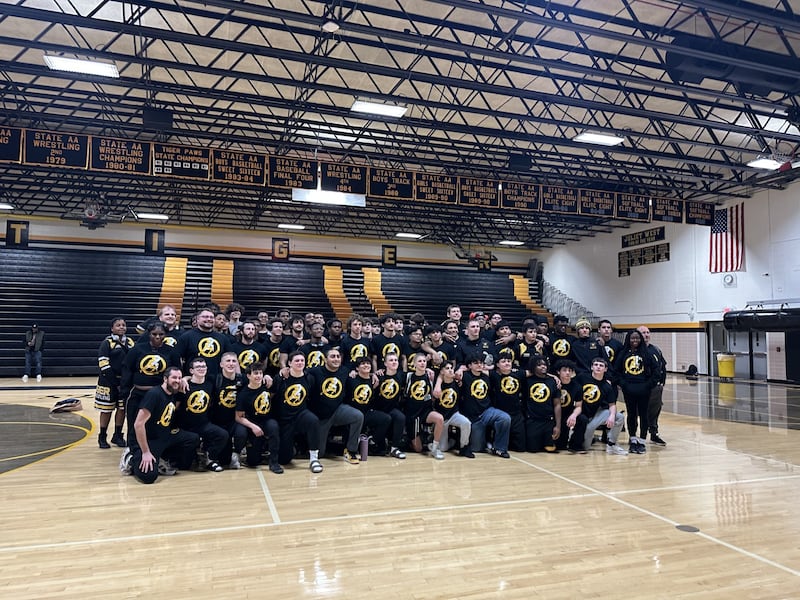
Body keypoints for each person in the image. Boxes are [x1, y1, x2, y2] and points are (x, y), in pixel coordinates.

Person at [127, 366, 200, 484]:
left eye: (179, 378)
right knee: (149, 477)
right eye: (174, 378)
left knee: (193, 439)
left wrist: (185, 379)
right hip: (149, 440)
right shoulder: (154, 394)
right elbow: (138, 424)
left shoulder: (173, 392)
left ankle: (163, 459)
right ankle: (131, 459)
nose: (177, 380)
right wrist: (145, 452)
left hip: (165, 436)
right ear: (165, 379)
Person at [308, 347, 363, 463]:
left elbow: (360, 377)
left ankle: (351, 450)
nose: (336, 359)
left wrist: (372, 375)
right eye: (332, 356)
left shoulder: (345, 371)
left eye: (338, 356)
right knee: (320, 454)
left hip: (338, 410)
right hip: (321, 416)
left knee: (358, 416)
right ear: (325, 359)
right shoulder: (315, 371)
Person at [273, 351, 323, 473]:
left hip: (301, 414)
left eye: (302, 360)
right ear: (289, 363)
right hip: (284, 419)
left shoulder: (309, 378)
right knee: (284, 460)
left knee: (313, 420)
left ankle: (314, 459)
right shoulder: (280, 378)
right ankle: (290, 449)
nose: (300, 363)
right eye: (297, 360)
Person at [178, 357, 230, 472]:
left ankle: (210, 458)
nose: (201, 369)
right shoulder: (184, 386)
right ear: (191, 371)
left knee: (223, 435)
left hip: (203, 424)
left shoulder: (210, 384)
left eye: (204, 366)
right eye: (198, 367)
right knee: (184, 465)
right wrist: (185, 379)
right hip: (186, 427)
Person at [567, 357, 627, 455]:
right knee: (585, 447)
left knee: (619, 417)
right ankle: (577, 437)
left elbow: (612, 404)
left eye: (601, 365)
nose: (598, 367)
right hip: (580, 412)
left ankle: (611, 444)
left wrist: (612, 416)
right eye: (596, 365)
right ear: (591, 367)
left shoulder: (607, 386)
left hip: (594, 414)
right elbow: (569, 382)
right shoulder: (582, 377)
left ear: (605, 369)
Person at [458, 353, 511, 457]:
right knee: (477, 448)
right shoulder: (463, 376)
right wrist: (459, 370)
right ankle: (486, 441)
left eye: (481, 363)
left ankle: (499, 448)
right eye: (476, 363)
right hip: (472, 417)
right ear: (469, 365)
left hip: (487, 411)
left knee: (505, 418)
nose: (479, 365)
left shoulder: (487, 377)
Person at [235, 361, 283, 473]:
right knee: (253, 462)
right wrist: (253, 426)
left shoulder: (267, 385)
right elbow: (238, 417)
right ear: (248, 376)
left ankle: (274, 462)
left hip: (266, 420)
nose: (258, 376)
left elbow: (279, 380)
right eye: (255, 373)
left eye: (260, 373)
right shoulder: (244, 394)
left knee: (273, 426)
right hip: (252, 423)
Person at [95, 317, 134, 449]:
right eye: (118, 325)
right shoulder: (107, 343)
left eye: (124, 325)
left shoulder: (130, 342)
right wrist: (114, 382)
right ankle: (102, 436)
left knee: (122, 408)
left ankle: (117, 435)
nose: (122, 327)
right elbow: (103, 364)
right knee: (106, 409)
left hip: (125, 381)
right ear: (112, 328)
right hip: (108, 381)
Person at [613, 329, 654, 454]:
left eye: (637, 338)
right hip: (629, 389)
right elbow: (616, 371)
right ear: (628, 339)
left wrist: (648, 385)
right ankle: (633, 439)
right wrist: (624, 384)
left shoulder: (646, 353)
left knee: (644, 415)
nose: (635, 340)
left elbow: (656, 370)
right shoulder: (623, 353)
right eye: (632, 338)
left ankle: (642, 441)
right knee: (631, 415)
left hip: (644, 389)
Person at [346, 357, 392, 458]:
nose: (366, 365)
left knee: (386, 418)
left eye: (368, 363)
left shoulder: (373, 380)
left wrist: (372, 374)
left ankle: (372, 441)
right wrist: (352, 372)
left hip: (366, 413)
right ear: (357, 368)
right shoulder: (351, 379)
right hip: (353, 415)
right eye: (362, 364)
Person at [403, 352, 445, 459]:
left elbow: (442, 373)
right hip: (413, 415)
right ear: (414, 364)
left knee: (439, 418)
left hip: (426, 411)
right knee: (418, 449)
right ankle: (410, 439)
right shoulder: (408, 376)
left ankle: (435, 448)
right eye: (419, 361)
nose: (422, 363)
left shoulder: (430, 376)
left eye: (424, 361)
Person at [432, 361, 474, 457]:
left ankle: (464, 447)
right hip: (442, 418)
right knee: (443, 448)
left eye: (451, 368)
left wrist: (460, 370)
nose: (450, 370)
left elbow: (466, 367)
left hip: (454, 414)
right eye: (447, 368)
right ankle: (452, 441)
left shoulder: (457, 383)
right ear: (442, 372)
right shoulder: (438, 384)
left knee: (466, 423)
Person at [373, 352, 407, 459]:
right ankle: (373, 440)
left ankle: (395, 448)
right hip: (378, 409)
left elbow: (416, 374)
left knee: (401, 417)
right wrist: (372, 374)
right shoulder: (379, 375)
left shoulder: (401, 375)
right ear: (385, 363)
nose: (394, 362)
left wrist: (428, 371)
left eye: (396, 360)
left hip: (392, 408)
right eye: (391, 360)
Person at [524, 356, 561, 452]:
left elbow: (557, 404)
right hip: (532, 420)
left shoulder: (553, 381)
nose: (543, 367)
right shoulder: (527, 380)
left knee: (550, 449)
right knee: (532, 449)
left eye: (544, 364)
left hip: (548, 420)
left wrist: (558, 426)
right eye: (539, 365)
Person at [638, 325, 668, 446]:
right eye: (643, 333)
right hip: (639, 387)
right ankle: (636, 436)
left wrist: (662, 382)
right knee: (638, 411)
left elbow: (663, 366)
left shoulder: (655, 349)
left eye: (647, 332)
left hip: (655, 387)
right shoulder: (633, 350)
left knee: (654, 410)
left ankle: (654, 434)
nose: (646, 335)